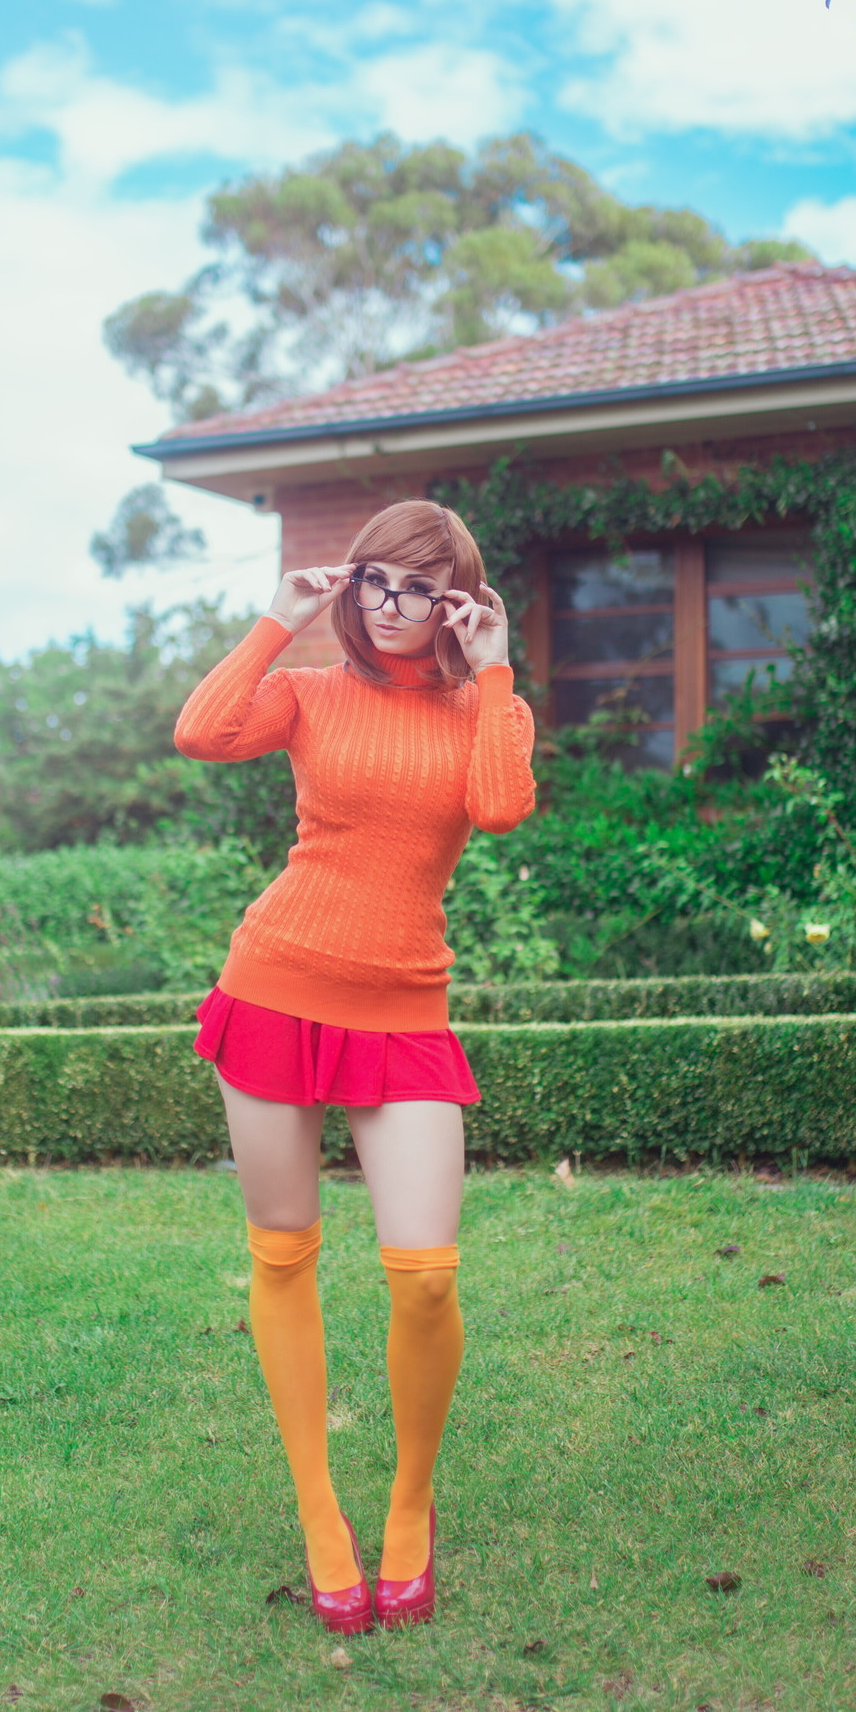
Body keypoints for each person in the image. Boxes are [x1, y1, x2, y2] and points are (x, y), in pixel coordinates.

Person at [174, 499, 535, 1633]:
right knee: (283, 1255)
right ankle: (320, 1513)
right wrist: (276, 620)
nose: (389, 606)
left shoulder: (486, 707)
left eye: (417, 589)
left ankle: (409, 1508)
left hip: (403, 1007)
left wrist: (493, 668)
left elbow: (499, 807)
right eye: (375, 581)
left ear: (454, 602)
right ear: (354, 585)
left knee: (424, 1275)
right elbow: (202, 732)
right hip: (274, 987)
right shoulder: (308, 694)